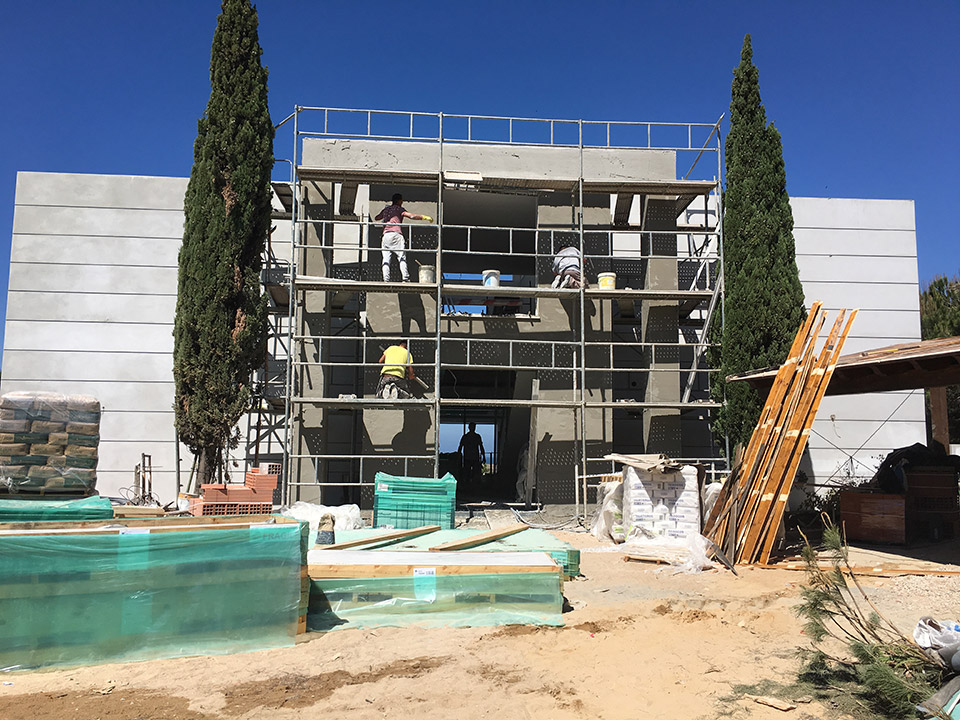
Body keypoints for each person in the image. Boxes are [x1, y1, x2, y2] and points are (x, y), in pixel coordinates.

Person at [374, 193, 433, 282]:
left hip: (386, 236)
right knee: (401, 257)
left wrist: (385, 214)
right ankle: (405, 278)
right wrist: (424, 217)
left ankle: (386, 279)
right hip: (396, 235)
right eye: (401, 200)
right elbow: (412, 216)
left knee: (386, 259)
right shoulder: (399, 209)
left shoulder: (386, 210)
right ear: (399, 201)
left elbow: (377, 218)